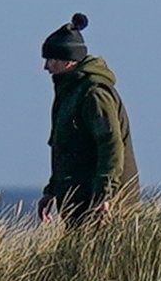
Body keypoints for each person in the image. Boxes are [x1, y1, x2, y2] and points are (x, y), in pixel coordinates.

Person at [38, 14, 134, 224]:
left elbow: (110, 145)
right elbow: (65, 149)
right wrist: (52, 190)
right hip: (80, 204)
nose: (46, 66)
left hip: (103, 208)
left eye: (51, 59)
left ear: (69, 61)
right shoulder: (70, 92)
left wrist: (105, 196)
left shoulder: (94, 94)